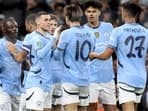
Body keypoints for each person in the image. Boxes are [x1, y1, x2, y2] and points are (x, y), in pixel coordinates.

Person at [89, 2, 148, 111]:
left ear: (124, 13)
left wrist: (94, 55)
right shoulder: (146, 32)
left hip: (126, 78)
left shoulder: (118, 31)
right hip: (141, 79)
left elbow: (106, 55)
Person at [7, 11, 57, 111]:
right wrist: (14, 52)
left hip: (47, 82)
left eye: (50, 21)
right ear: (36, 23)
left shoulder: (48, 38)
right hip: (35, 81)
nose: (49, 23)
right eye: (46, 20)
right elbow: (23, 57)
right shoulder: (32, 37)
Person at [54, 4, 95, 111]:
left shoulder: (66, 34)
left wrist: (55, 40)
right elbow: (91, 55)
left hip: (70, 80)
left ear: (67, 17)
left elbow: (57, 57)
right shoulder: (90, 34)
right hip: (85, 79)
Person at [83, 1, 117, 111]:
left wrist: (115, 61)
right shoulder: (82, 30)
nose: (91, 14)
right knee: (91, 108)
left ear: (99, 12)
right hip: (90, 78)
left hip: (107, 77)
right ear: (85, 13)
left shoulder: (109, 27)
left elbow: (113, 48)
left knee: (111, 108)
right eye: (88, 11)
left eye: (94, 11)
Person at [0, 17, 22, 111]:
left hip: (18, 89)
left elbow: (28, 65)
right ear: (4, 29)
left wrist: (16, 52)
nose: (15, 29)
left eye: (16, 27)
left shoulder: (22, 44)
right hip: (3, 89)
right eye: (11, 27)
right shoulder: (0, 44)